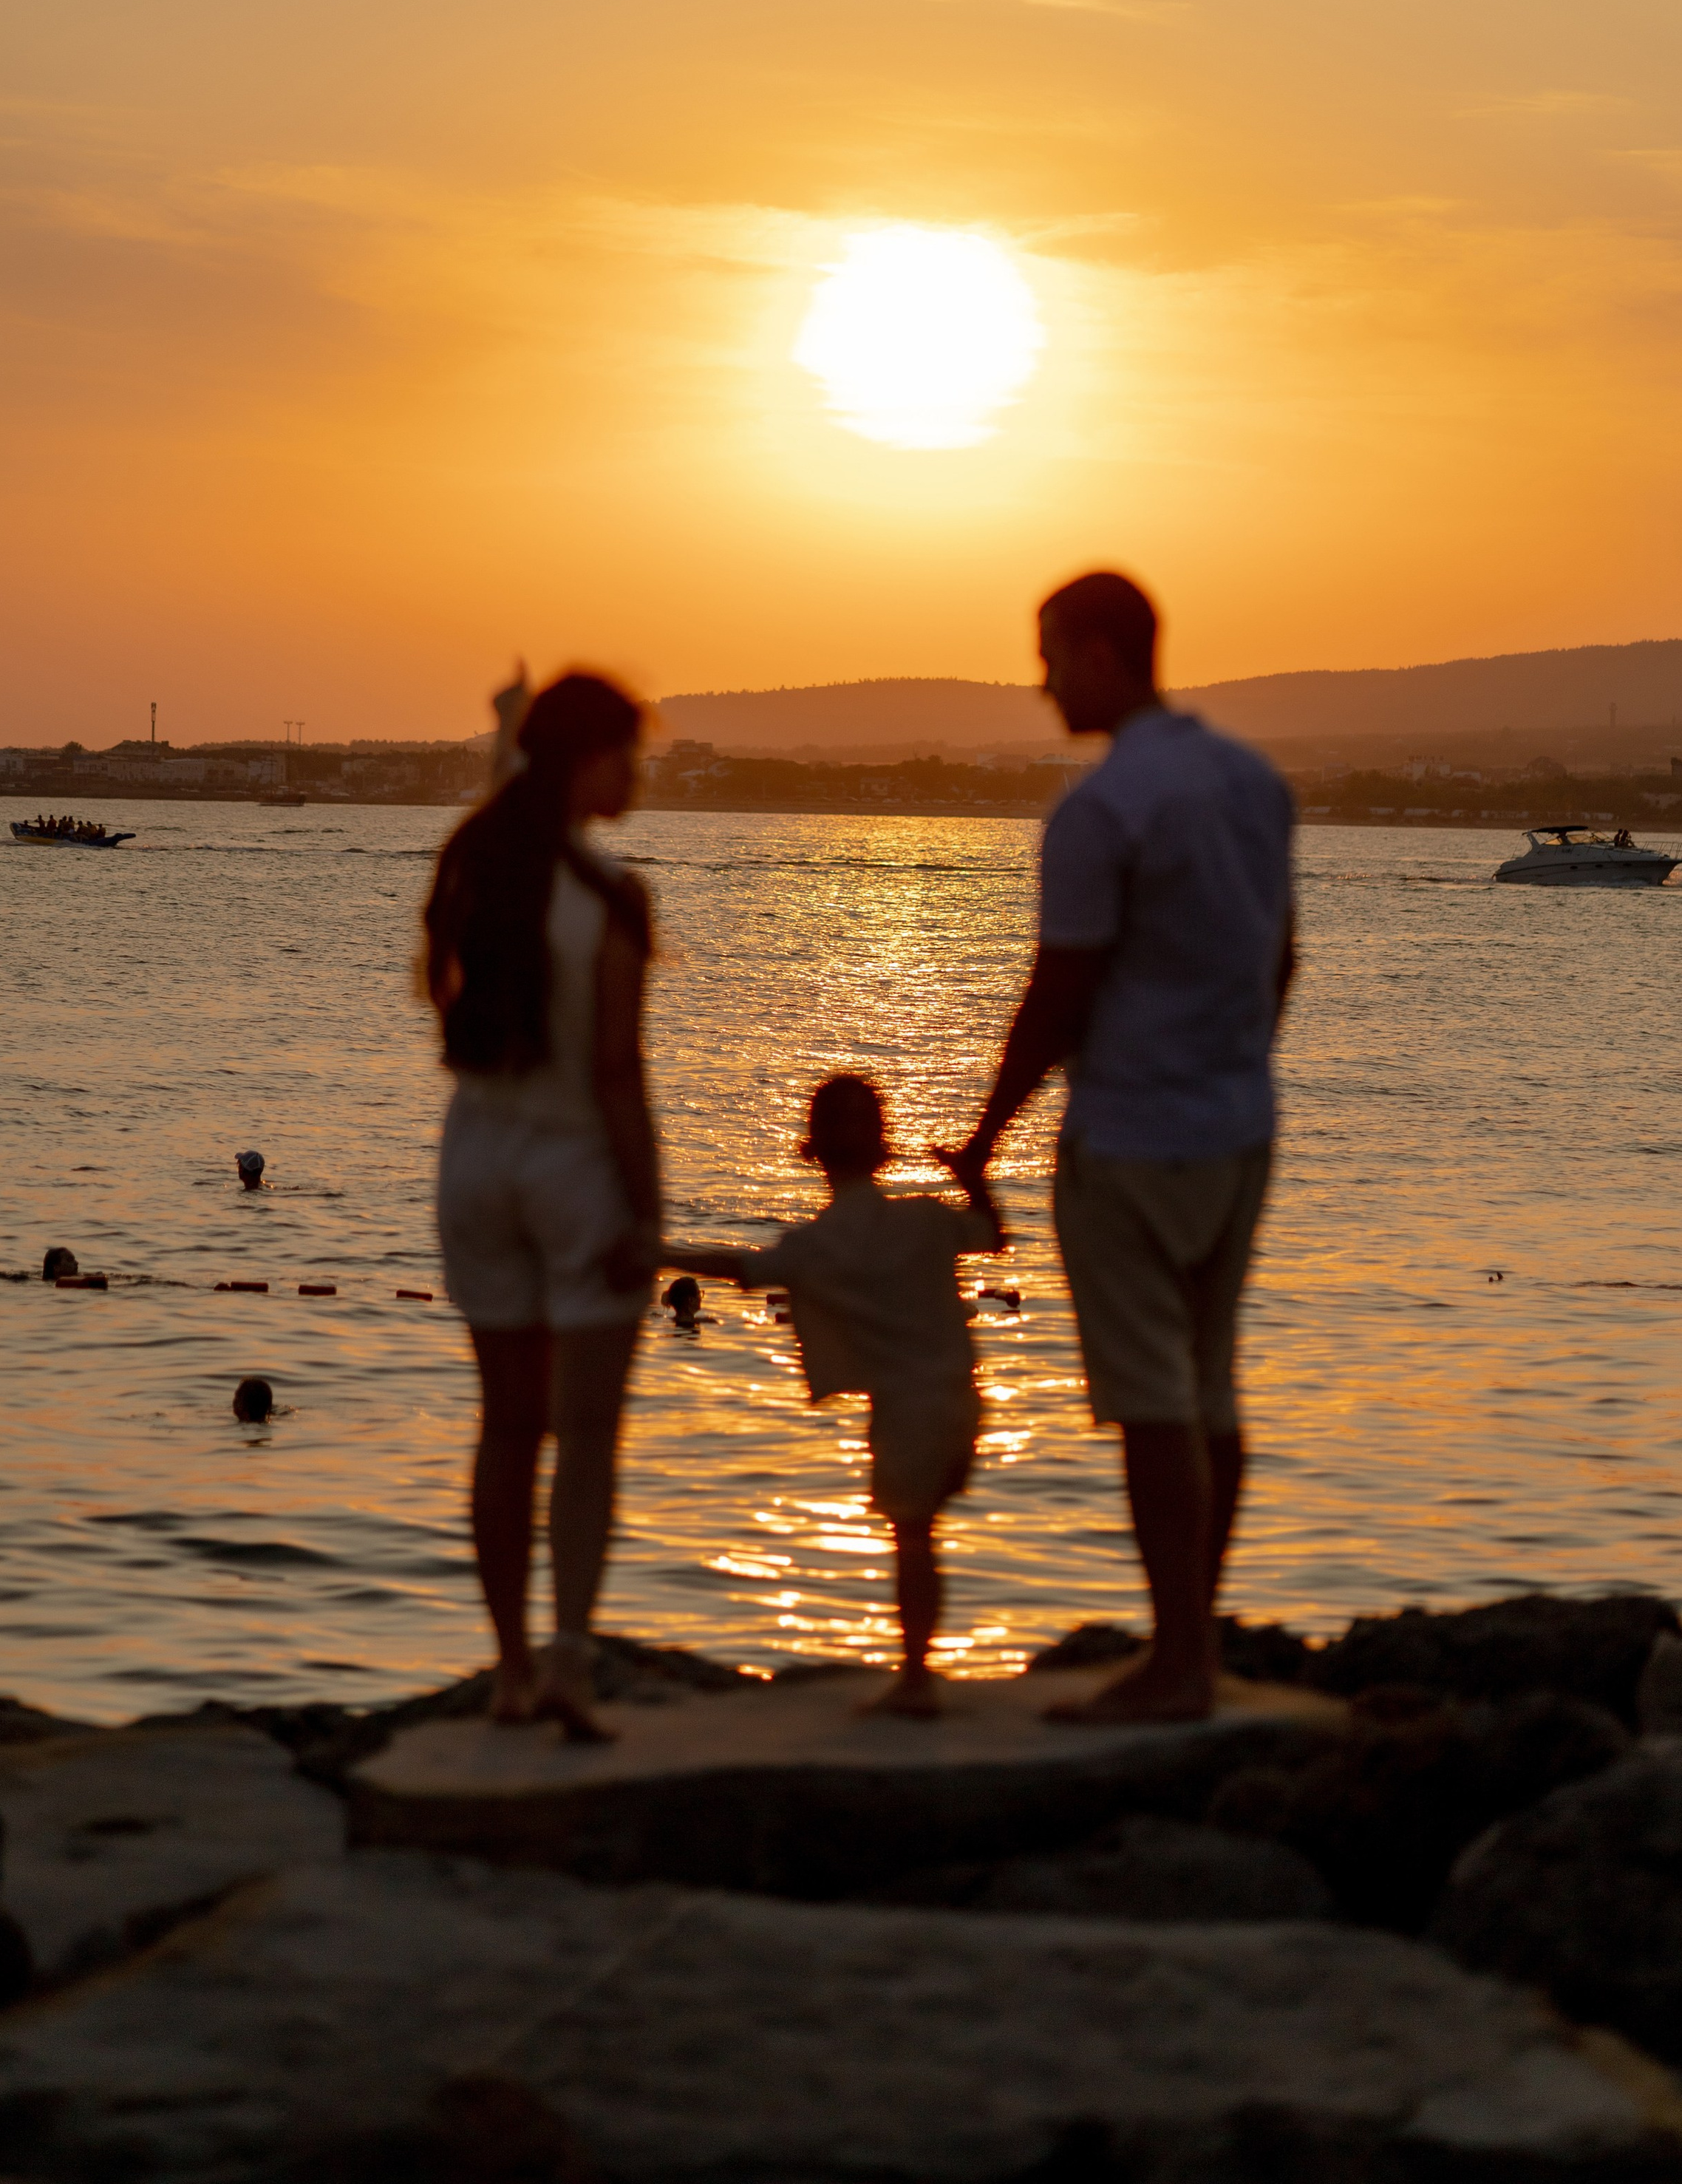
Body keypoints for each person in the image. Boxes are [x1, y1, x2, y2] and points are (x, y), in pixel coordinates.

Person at [939, 571, 1295, 1727]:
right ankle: (1194, 1639)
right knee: (1210, 1387)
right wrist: (1234, 1063)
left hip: (1133, 1137)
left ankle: (1181, 1662)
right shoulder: (1253, 783)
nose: (1041, 682)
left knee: (1153, 1402)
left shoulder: (1099, 813)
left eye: (1050, 654)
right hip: (1239, 1127)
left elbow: (1060, 994)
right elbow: (1280, 957)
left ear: (1100, 653)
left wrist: (986, 1135)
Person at [422, 669, 661, 1743]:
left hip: (474, 1160)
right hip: (571, 1169)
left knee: (507, 1429)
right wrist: (647, 1211)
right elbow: (617, 1073)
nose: (638, 772)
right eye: (627, 752)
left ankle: (509, 1670)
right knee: (589, 1432)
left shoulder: (472, 863)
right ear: (581, 759)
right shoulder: (611, 897)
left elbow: (446, 1007)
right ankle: (568, 1659)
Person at [664, 1073, 1005, 1718]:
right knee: (925, 1533)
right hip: (963, 1401)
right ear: (885, 1148)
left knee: (913, 1538)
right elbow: (990, 1232)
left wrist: (657, 1250)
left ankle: (916, 1679)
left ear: (810, 1152)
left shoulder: (812, 1249)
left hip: (906, 1411)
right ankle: (919, 1672)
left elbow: (739, 1267)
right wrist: (971, 1170)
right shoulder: (927, 1219)